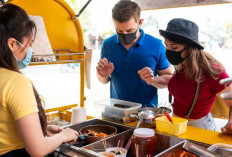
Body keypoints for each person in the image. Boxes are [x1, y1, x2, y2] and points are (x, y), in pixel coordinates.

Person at [0, 4, 79, 156]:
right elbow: (38, 150)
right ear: (12, 44)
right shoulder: (16, 82)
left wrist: (40, 129)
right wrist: (63, 135)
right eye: (29, 44)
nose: (30, 50)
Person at [159, 18, 232, 132]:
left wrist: (230, 123)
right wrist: (153, 80)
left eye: (174, 47)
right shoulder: (181, 64)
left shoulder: (212, 71)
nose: (168, 51)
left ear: (190, 48)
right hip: (176, 123)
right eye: (166, 45)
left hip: (198, 127)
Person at [96, 0, 173, 107]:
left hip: (146, 115)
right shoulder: (108, 44)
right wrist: (102, 76)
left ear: (140, 22)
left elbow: (170, 79)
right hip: (116, 112)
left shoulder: (156, 45)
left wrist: (153, 80)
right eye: (120, 31)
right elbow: (103, 80)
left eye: (129, 30)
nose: (125, 34)